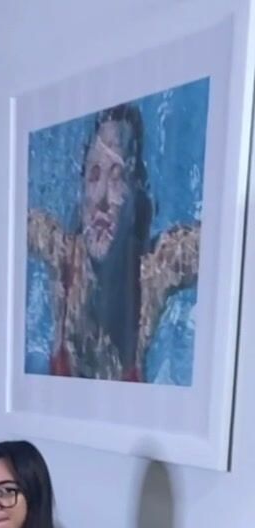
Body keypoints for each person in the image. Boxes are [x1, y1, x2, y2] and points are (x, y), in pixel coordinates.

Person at [27, 103, 199, 382]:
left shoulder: (154, 271)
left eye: (117, 176)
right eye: (94, 174)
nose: (101, 198)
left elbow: (225, 245)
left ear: (135, 194)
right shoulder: (61, 253)